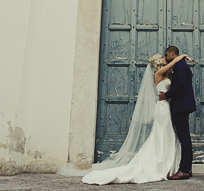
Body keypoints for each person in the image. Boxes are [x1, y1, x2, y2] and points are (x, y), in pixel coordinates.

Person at [81, 51, 193, 185]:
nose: (164, 59)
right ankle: (162, 165)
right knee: (163, 133)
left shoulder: (166, 73)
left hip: (168, 107)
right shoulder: (158, 73)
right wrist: (181, 57)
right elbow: (174, 63)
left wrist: (181, 62)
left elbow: (179, 77)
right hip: (162, 108)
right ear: (158, 62)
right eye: (162, 58)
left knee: (168, 134)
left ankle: (170, 164)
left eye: (165, 56)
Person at [159, 46, 196, 180]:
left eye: (166, 55)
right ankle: (187, 168)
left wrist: (166, 95)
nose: (166, 58)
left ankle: (184, 170)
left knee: (184, 138)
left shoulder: (179, 65)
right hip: (183, 105)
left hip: (181, 106)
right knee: (185, 137)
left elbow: (180, 84)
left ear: (172, 53)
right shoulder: (182, 64)